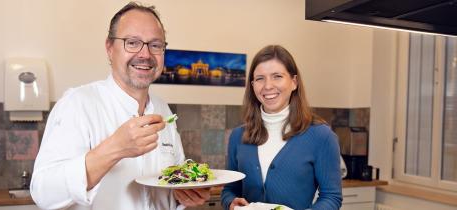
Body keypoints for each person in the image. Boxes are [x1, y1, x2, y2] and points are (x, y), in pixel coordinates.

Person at [30, 2, 210, 210]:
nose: (145, 54)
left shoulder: (163, 110)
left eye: (155, 45)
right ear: (109, 48)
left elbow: (171, 188)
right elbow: (43, 193)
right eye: (132, 43)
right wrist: (115, 148)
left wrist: (184, 196)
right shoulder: (77, 104)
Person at [221, 45, 342, 210]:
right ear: (252, 85)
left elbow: (332, 197)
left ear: (294, 82)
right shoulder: (238, 136)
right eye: (260, 78)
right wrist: (230, 202)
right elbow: (229, 190)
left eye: (277, 76)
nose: (268, 86)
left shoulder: (321, 136)